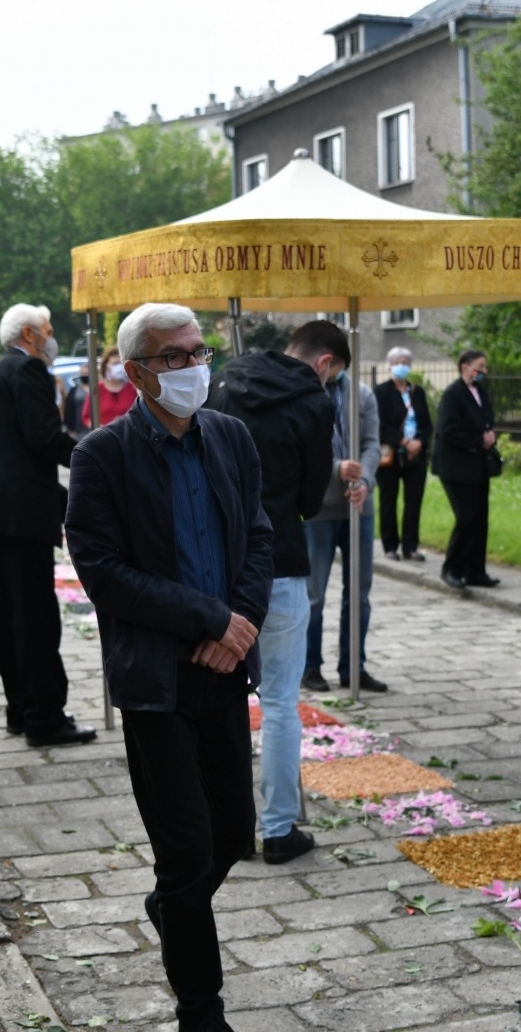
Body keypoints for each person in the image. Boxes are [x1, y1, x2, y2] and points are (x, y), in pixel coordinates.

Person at [65, 302, 272, 1032]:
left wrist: (236, 628)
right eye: (175, 356)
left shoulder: (230, 437)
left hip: (223, 668)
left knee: (231, 833)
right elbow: (103, 571)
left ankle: (173, 908)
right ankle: (201, 1009)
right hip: (157, 679)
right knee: (185, 851)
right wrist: (206, 618)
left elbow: (257, 535)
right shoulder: (104, 454)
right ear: (136, 371)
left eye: (198, 351)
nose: (194, 366)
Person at [205, 322, 337, 865]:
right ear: (325, 363)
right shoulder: (313, 402)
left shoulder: (224, 381)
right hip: (279, 558)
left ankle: (227, 827)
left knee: (218, 699)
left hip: (215, 560)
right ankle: (279, 828)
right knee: (281, 701)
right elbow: (312, 496)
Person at [0, 306, 91, 746]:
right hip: (22, 515)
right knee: (35, 619)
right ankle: (45, 717)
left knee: (9, 617)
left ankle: (21, 708)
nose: (51, 339)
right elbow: (44, 436)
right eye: (48, 332)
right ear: (28, 333)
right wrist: (93, 457)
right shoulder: (28, 371)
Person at [301, 330, 384, 695]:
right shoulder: (305, 394)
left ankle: (354, 666)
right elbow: (303, 449)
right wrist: (336, 468)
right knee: (313, 593)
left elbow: (371, 443)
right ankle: (310, 665)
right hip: (319, 508)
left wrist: (364, 478)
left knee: (359, 592)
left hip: (358, 507)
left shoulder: (362, 394)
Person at [433, 349, 500, 590]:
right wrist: (477, 440)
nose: (484, 371)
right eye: (480, 366)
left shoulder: (480, 391)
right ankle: (452, 568)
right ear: (465, 367)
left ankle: (476, 571)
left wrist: (490, 435)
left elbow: (486, 419)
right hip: (455, 467)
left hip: (478, 465)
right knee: (466, 517)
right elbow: (448, 432)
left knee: (480, 519)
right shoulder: (453, 394)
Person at [374, 346, 433, 562]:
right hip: (390, 455)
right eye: (398, 362)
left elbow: (427, 423)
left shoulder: (417, 392)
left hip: (415, 456)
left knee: (414, 500)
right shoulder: (381, 392)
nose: (402, 366)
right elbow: (379, 424)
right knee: (388, 500)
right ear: (390, 365)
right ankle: (390, 546)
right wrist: (403, 441)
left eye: (405, 362)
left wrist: (418, 442)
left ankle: (411, 546)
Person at [83, 347, 138, 431]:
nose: (119, 367)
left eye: (121, 363)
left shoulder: (133, 388)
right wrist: (99, 429)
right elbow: (86, 417)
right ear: (106, 367)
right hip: (104, 437)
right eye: (115, 364)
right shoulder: (97, 389)